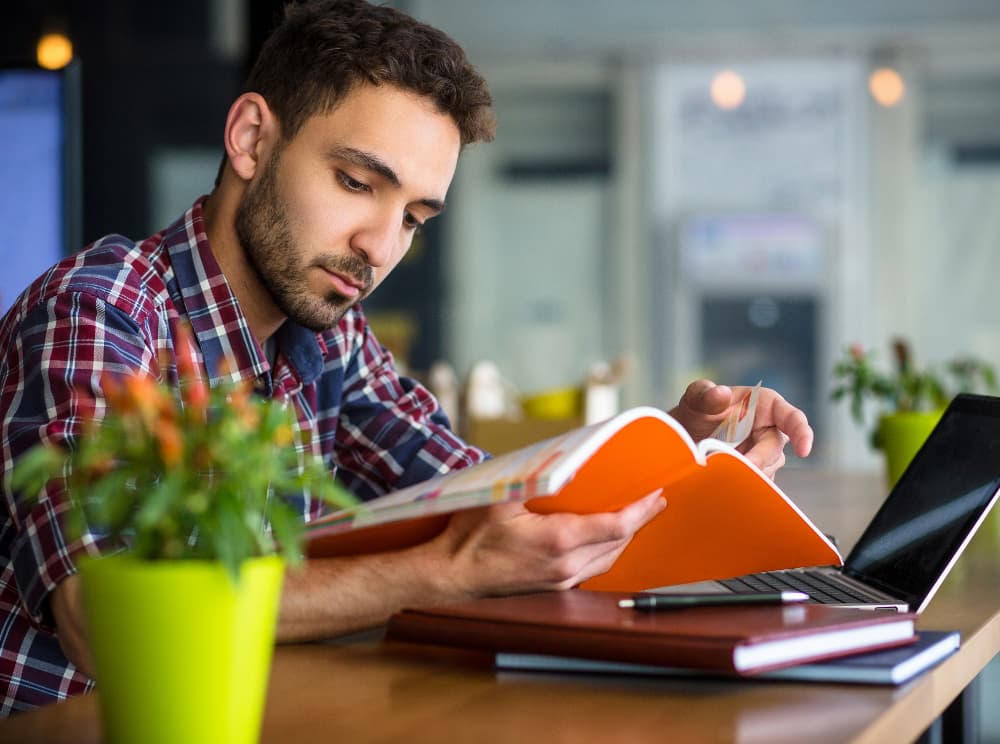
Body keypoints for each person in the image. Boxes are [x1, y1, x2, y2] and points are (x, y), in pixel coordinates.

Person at [0, 0, 813, 714]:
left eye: (416, 217)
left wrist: (671, 454)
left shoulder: (327, 333)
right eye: (356, 183)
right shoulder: (99, 312)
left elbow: (496, 503)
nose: (380, 247)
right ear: (251, 138)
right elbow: (107, 622)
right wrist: (441, 573)